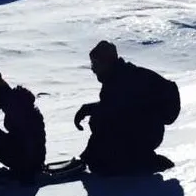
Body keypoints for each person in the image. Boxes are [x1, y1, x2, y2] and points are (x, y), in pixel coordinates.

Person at [74, 41, 179, 175]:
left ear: (107, 63)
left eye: (95, 64)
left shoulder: (124, 79)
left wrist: (87, 157)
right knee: (102, 126)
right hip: (144, 131)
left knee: (102, 126)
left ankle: (147, 160)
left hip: (147, 133)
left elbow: (110, 112)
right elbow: (111, 107)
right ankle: (138, 157)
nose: (93, 69)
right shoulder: (117, 76)